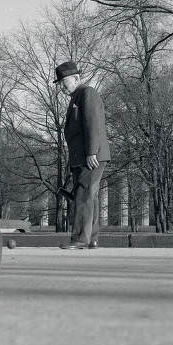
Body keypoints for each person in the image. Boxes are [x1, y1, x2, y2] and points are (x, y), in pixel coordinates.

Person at [56, 61, 110, 249]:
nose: (62, 87)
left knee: (83, 194)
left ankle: (80, 238)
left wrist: (91, 151)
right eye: (60, 84)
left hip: (91, 155)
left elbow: (92, 123)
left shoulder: (87, 93)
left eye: (64, 82)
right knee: (90, 196)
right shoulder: (76, 97)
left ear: (76, 78)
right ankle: (92, 239)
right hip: (83, 156)